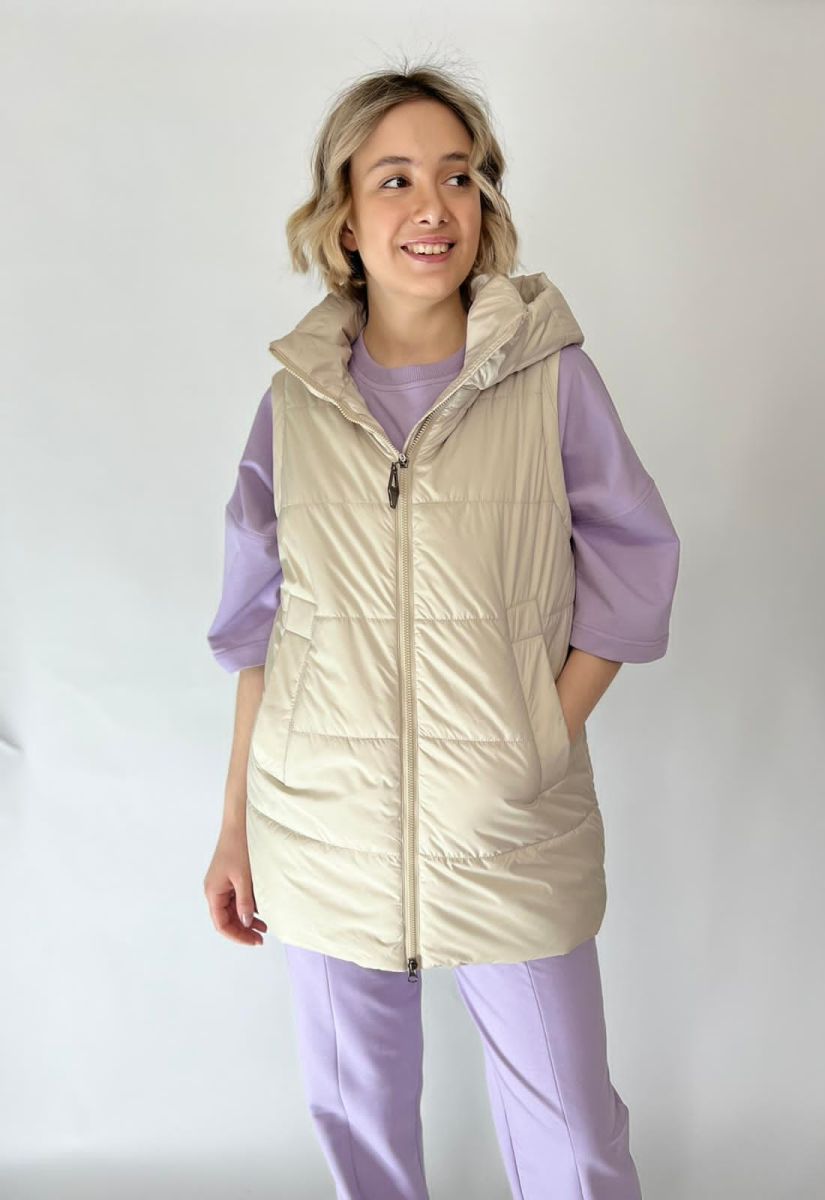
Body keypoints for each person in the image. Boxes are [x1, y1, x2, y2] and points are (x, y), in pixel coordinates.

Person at [204, 61, 680, 1200]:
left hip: (510, 826)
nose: (434, 207)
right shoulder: (294, 401)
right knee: (362, 1144)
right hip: (320, 828)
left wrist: (538, 735)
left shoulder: (548, 375)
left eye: (458, 178)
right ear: (344, 219)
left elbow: (634, 561)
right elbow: (260, 626)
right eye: (397, 179)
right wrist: (235, 829)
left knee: (573, 1144)